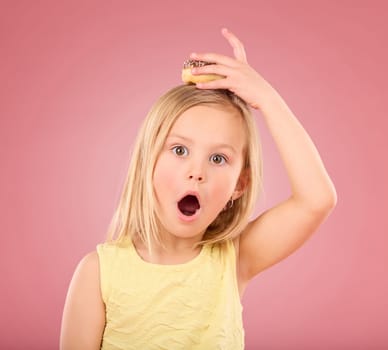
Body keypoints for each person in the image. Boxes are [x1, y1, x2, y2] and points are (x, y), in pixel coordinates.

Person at [60, 28, 337, 349]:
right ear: (147, 161)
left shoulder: (235, 259)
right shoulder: (97, 273)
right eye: (179, 150)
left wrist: (266, 98)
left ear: (239, 185)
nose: (197, 172)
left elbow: (316, 200)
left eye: (218, 158)